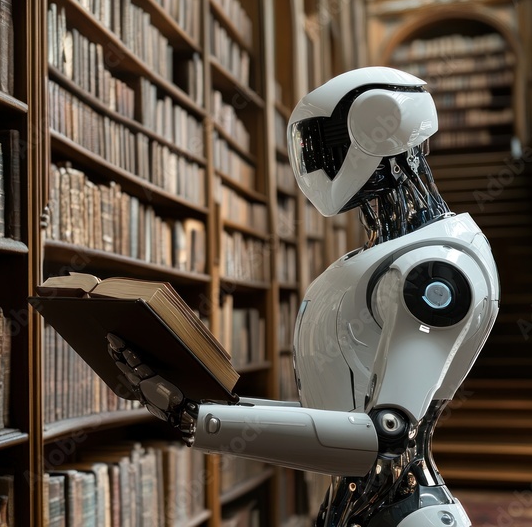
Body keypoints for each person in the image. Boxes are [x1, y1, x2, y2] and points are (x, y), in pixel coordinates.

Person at [109, 66, 500, 526]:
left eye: (322, 143)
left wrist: (200, 419)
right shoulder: (387, 256)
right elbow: (334, 416)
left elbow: (386, 436)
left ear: (380, 124)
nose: (313, 161)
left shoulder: (437, 266)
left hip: (406, 511)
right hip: (355, 509)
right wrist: (203, 406)